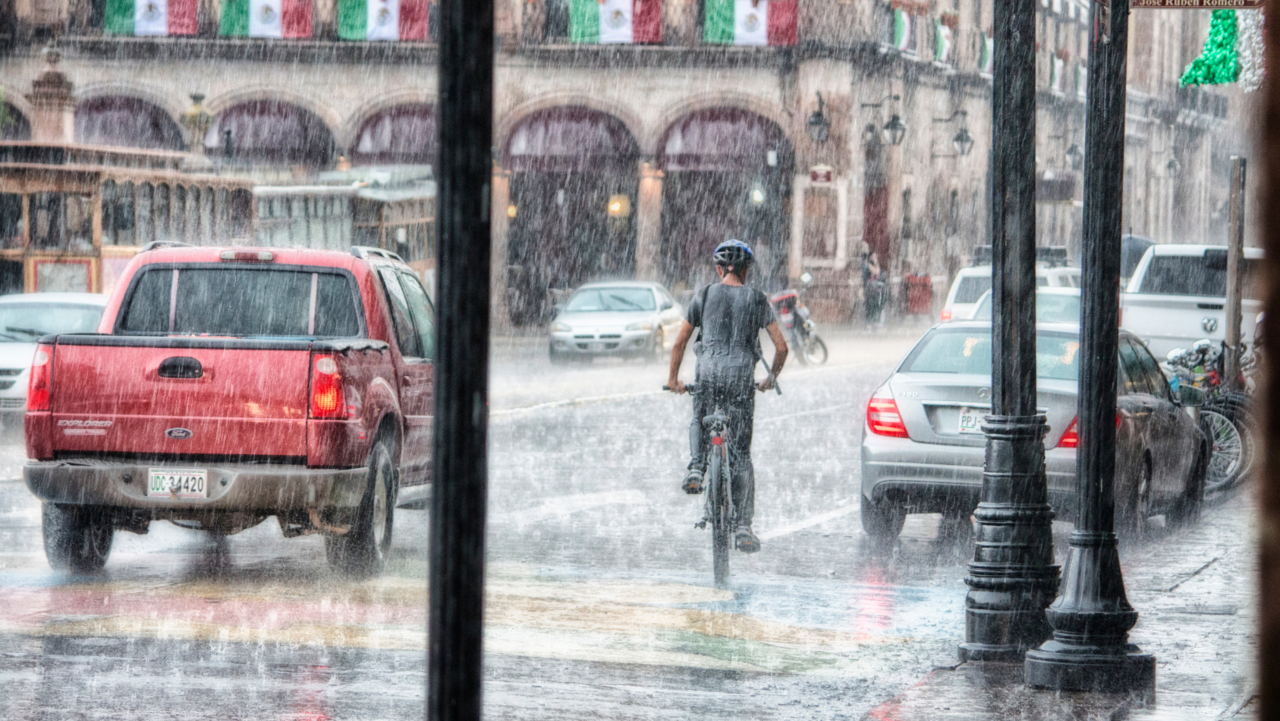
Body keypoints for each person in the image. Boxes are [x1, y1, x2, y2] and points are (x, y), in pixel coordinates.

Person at [666, 239, 788, 554]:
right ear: (746, 271)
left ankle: (696, 467)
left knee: (699, 417)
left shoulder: (704, 295)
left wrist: (673, 380)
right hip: (740, 379)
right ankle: (744, 527)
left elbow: (680, 343)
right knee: (741, 455)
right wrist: (770, 378)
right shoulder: (758, 299)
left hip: (707, 375)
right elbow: (782, 347)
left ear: (719, 269)